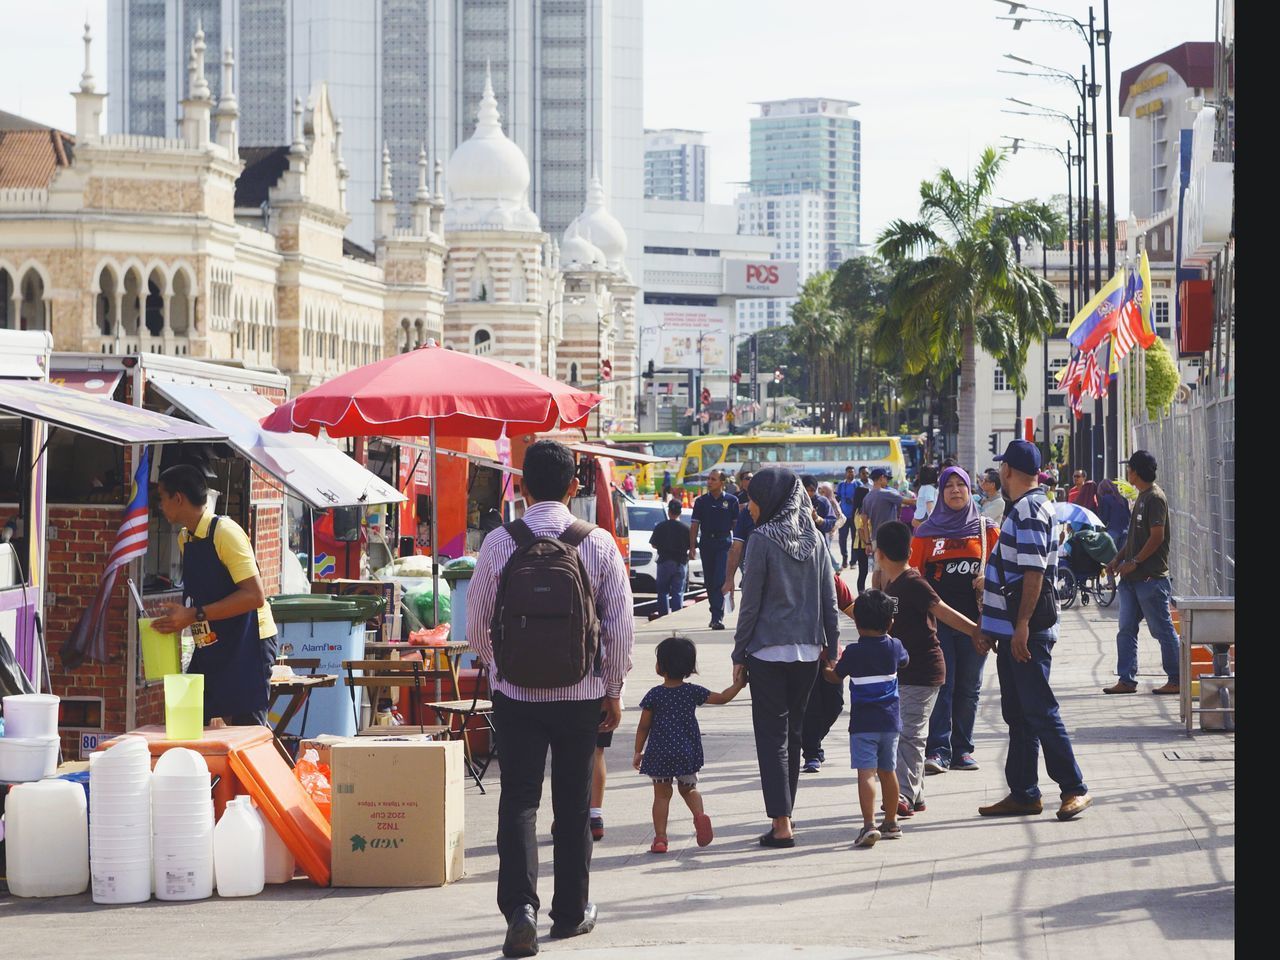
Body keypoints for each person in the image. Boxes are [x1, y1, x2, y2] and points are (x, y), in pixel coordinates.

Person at [466, 440, 635, 958]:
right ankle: (570, 912)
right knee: (572, 803)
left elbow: (475, 623)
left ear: (519, 485)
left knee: (518, 800)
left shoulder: (499, 542)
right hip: (580, 694)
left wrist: (499, 668)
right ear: (574, 487)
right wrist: (612, 687)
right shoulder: (598, 543)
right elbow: (619, 625)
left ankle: (521, 910)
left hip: (516, 696)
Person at [974, 440, 1090, 821]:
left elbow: (1033, 571)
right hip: (1013, 629)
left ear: (1007, 471)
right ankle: (1023, 791)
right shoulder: (1031, 507)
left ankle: (1073, 786)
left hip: (1026, 631)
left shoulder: (1027, 509)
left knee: (1039, 709)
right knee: (1020, 713)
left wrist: (1021, 625)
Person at [732, 467, 840, 848]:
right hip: (809, 651)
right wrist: (832, 648)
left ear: (772, 500)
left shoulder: (761, 540)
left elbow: (751, 603)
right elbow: (830, 600)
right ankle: (786, 816)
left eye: (754, 500)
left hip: (767, 651)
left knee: (771, 736)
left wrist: (739, 651)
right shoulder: (816, 539)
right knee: (793, 734)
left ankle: (781, 822)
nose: (750, 508)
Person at [153, 465, 277, 727]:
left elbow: (255, 596)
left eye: (162, 497)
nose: (160, 506)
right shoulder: (185, 539)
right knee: (191, 720)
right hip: (212, 642)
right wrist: (181, 615)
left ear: (178, 498)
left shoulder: (225, 532)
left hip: (249, 642)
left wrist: (194, 614)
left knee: (248, 728)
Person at [873, 521, 979, 818]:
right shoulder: (892, 584)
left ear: (879, 553)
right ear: (909, 550)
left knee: (909, 734)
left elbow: (942, 610)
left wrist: (975, 632)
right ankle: (916, 793)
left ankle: (904, 794)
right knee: (906, 731)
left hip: (924, 671)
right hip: (904, 672)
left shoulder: (914, 582)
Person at [910, 467, 1000, 774]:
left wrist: (990, 585)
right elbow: (911, 575)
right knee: (943, 685)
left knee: (969, 688)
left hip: (977, 623)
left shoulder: (986, 530)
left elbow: (1003, 571)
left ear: (969, 488)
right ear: (939, 492)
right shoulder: (925, 532)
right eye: (947, 485)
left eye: (960, 483)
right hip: (936, 625)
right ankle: (938, 750)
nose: (955, 490)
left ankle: (963, 750)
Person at [633, 635, 746, 853]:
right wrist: (739, 684)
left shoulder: (654, 695)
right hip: (686, 751)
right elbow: (723, 698)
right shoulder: (692, 692)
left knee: (661, 795)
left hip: (660, 752)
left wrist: (638, 751)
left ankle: (660, 839)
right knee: (689, 789)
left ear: (660, 667)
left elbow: (643, 727)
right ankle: (699, 816)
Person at [822, 589, 910, 847]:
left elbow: (835, 677)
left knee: (866, 773)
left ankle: (869, 824)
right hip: (891, 723)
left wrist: (826, 667)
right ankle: (891, 821)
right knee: (888, 771)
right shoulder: (895, 647)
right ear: (890, 622)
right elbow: (904, 662)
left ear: (857, 623)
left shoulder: (853, 653)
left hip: (863, 725)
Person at [1103, 451, 1180, 696]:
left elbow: (1156, 537)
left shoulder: (1155, 498)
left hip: (1150, 580)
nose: (1128, 473)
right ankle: (1126, 679)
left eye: (1130, 469)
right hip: (1131, 581)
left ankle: (1177, 678)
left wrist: (1135, 562)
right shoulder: (1141, 497)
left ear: (1136, 472)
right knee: (1126, 629)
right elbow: (1135, 537)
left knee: (1162, 630)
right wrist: (1118, 558)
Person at [801, 570, 856, 773]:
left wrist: (878, 627)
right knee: (812, 707)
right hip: (802, 653)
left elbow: (851, 608)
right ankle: (812, 752)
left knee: (835, 704)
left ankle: (808, 739)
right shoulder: (791, 576)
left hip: (831, 653)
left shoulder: (831, 580)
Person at [689, 470, 739, 630]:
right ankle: (714, 614)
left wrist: (737, 547)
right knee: (710, 581)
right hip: (706, 543)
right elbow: (694, 525)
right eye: (708, 479)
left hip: (724, 543)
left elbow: (736, 526)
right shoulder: (701, 502)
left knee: (719, 578)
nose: (709, 482)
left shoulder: (731, 501)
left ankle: (718, 616)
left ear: (722, 482)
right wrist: (692, 547)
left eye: (713, 479)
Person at [862, 469, 916, 588]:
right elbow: (910, 502)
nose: (887, 482)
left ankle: (875, 595)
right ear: (881, 478)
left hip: (875, 537)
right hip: (890, 536)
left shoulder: (867, 497)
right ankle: (886, 594)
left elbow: (864, 523)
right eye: (886, 479)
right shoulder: (886, 494)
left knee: (877, 568)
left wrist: (867, 542)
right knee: (887, 569)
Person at [649, 499, 691, 619]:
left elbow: (653, 544)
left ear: (669, 512)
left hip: (664, 562)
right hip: (680, 563)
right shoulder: (685, 528)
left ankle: (664, 617)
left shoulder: (661, 527)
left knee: (663, 592)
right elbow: (691, 545)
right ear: (680, 512)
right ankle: (676, 617)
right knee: (678, 592)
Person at [722, 471, 755, 605]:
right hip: (741, 539)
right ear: (742, 482)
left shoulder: (762, 497)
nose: (750, 481)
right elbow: (729, 517)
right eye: (747, 478)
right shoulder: (736, 498)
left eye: (753, 478)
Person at [802, 475, 838, 573]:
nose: (809, 493)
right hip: (800, 545)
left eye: (812, 490)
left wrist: (817, 519)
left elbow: (830, 523)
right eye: (806, 490)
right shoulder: (797, 501)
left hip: (819, 544)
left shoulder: (822, 501)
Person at [1096, 479, 1131, 555]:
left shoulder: (1105, 499)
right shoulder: (1123, 499)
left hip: (1113, 530)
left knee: (1111, 557)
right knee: (1121, 558)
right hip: (1125, 530)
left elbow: (1104, 518)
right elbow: (1129, 516)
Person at [835, 466, 861, 568]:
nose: (850, 474)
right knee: (842, 538)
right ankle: (844, 558)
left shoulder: (858, 484)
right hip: (843, 517)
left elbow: (863, 498)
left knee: (855, 539)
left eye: (852, 472)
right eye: (849, 472)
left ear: (855, 474)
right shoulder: (841, 485)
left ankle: (853, 561)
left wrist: (854, 501)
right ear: (846, 473)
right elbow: (837, 498)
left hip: (855, 516)